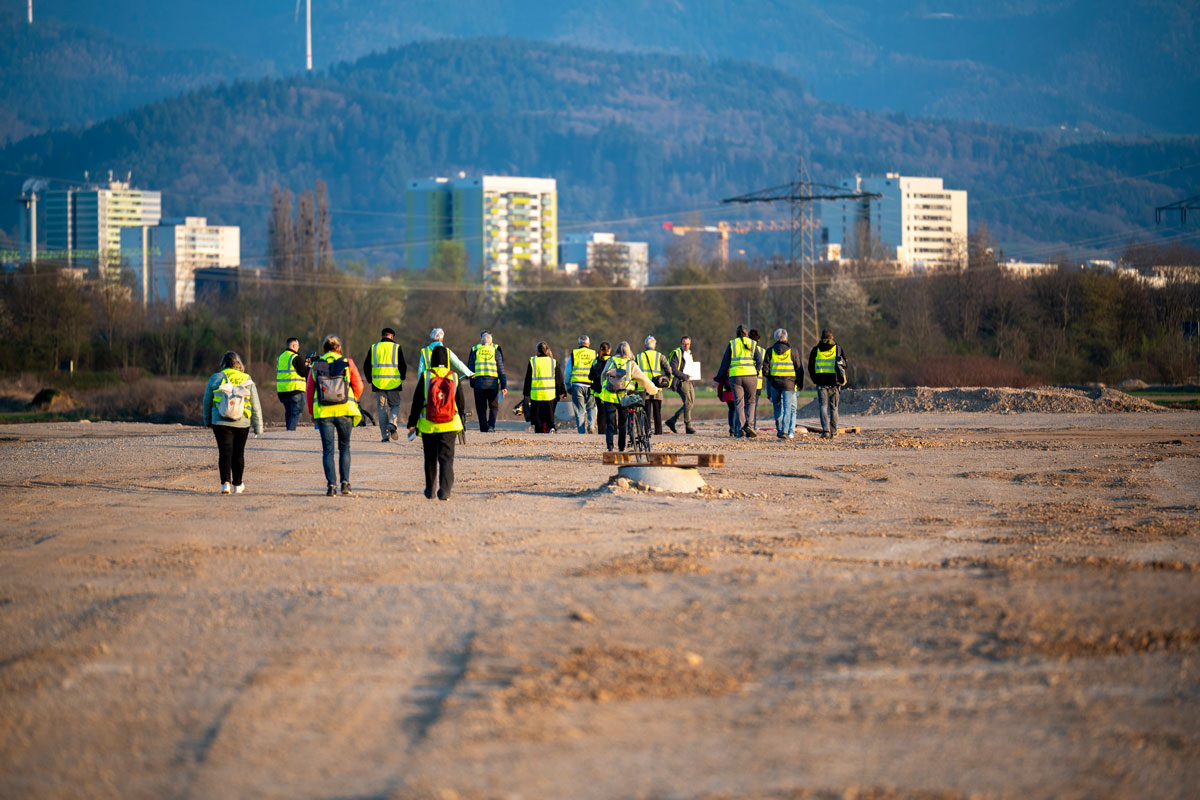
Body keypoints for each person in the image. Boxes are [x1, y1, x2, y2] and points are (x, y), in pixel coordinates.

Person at [306, 334, 365, 496]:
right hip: (345, 411)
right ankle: (345, 484)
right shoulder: (348, 363)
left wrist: (312, 412)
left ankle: (331, 486)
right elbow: (359, 386)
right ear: (338, 349)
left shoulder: (316, 364)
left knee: (328, 450)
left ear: (324, 350)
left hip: (324, 412)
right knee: (345, 447)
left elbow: (309, 391)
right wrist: (351, 400)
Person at [407, 345, 466, 500]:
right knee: (446, 458)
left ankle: (430, 490)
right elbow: (460, 403)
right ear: (447, 360)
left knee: (430, 458)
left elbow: (417, 401)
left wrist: (412, 422)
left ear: (432, 360)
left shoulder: (426, 376)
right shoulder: (453, 376)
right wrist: (463, 423)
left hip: (429, 424)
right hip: (450, 423)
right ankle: (445, 491)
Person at [204, 350, 264, 494]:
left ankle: (225, 484)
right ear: (238, 363)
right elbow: (255, 405)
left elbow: (207, 401)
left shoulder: (216, 378)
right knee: (238, 453)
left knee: (224, 452)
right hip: (242, 422)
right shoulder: (246, 378)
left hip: (220, 421)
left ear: (223, 363)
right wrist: (258, 427)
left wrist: (207, 420)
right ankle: (238, 485)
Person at [595, 341, 659, 452]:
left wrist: (603, 387)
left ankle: (610, 447)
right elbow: (643, 379)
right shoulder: (631, 364)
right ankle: (621, 447)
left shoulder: (611, 361)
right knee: (622, 423)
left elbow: (603, 376)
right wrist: (654, 390)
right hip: (624, 397)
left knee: (610, 424)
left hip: (608, 396)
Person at [714, 325, 765, 438]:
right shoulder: (752, 343)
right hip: (751, 376)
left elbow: (725, 363)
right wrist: (756, 371)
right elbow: (760, 360)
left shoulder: (732, 344)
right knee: (751, 401)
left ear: (736, 334)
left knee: (739, 403)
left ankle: (740, 429)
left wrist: (718, 379)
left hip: (735, 377)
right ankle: (750, 426)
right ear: (746, 334)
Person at [363, 327, 407, 442]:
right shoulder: (396, 347)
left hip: (378, 383)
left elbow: (366, 366)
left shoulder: (374, 347)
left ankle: (385, 436)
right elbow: (403, 365)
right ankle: (392, 423)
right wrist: (402, 377)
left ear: (382, 336)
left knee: (382, 409)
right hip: (393, 383)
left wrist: (369, 379)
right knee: (395, 405)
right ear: (392, 336)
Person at [765, 328, 804, 439]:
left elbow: (765, 370)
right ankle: (785, 431)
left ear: (776, 338)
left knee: (777, 407)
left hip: (775, 383)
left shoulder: (770, 351)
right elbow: (799, 369)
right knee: (788, 408)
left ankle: (780, 429)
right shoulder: (793, 351)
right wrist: (800, 383)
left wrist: (771, 379)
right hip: (789, 384)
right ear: (786, 338)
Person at [808, 328, 848, 439]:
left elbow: (810, 367)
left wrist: (815, 379)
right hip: (835, 384)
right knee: (834, 408)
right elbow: (845, 365)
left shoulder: (816, 350)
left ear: (821, 338)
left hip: (821, 383)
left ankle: (825, 431)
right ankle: (834, 432)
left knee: (823, 407)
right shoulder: (838, 349)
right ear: (832, 337)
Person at [467, 330, 507, 433]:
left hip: (479, 384)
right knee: (493, 407)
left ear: (481, 341)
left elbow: (470, 370)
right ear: (491, 342)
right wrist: (503, 386)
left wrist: (472, 384)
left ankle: (483, 428)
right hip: (493, 384)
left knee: (481, 408)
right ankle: (491, 426)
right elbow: (501, 370)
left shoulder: (475, 352)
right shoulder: (496, 352)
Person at [523, 341, 566, 434]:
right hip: (549, 394)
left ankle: (539, 434)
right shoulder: (553, 362)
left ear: (537, 351)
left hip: (536, 394)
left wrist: (526, 394)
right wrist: (562, 391)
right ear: (547, 351)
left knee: (537, 418)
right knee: (549, 416)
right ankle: (551, 428)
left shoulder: (533, 361)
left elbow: (528, 379)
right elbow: (559, 379)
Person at [636, 335, 673, 435]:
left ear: (645, 345)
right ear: (655, 346)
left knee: (646, 412)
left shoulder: (639, 357)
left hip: (644, 388)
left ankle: (646, 432)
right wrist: (666, 379)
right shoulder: (660, 356)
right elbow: (669, 369)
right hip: (657, 387)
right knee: (657, 412)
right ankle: (658, 432)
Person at [564, 334, 598, 434]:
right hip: (591, 385)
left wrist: (568, 385)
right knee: (592, 407)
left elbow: (567, 372)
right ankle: (591, 426)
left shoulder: (574, 354)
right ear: (589, 344)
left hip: (577, 385)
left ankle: (581, 431)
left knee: (580, 410)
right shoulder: (594, 354)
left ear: (579, 343)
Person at [275, 337, 309, 431]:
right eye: (298, 346)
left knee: (289, 412)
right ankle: (290, 431)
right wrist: (308, 368)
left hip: (282, 391)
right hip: (295, 390)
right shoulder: (296, 357)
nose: (298, 348)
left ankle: (288, 431)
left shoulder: (280, 357)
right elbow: (304, 373)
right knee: (297, 412)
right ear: (294, 346)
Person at [665, 335, 697, 435]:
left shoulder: (690, 353)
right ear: (681, 344)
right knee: (688, 403)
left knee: (691, 403)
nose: (686, 346)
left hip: (689, 380)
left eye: (688, 344)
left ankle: (672, 421)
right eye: (684, 344)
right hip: (681, 381)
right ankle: (688, 426)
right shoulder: (676, 353)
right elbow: (673, 369)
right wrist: (684, 376)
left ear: (690, 344)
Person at [589, 341, 612, 437]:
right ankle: (612, 431)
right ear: (609, 350)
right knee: (611, 412)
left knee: (601, 413)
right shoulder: (612, 360)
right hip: (610, 391)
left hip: (598, 392)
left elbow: (590, 376)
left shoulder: (595, 361)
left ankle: (601, 432)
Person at [748, 329, 766, 432]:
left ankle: (743, 426)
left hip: (746, 382)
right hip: (758, 384)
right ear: (758, 339)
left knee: (745, 405)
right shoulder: (763, 351)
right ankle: (752, 427)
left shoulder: (745, 350)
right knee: (753, 407)